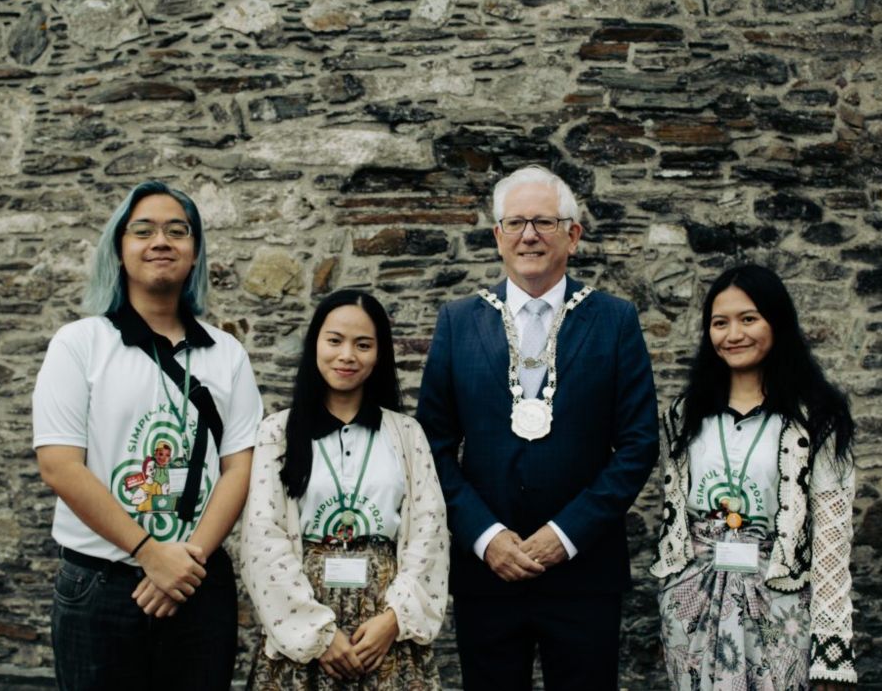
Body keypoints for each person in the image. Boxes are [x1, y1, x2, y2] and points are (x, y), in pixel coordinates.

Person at [416, 165, 659, 689]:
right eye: (516, 223)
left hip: (583, 572)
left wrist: (565, 536)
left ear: (573, 235)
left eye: (545, 222)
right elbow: (431, 447)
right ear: (497, 237)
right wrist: (486, 536)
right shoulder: (458, 322)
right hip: (488, 575)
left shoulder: (614, 320)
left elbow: (639, 444)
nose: (530, 235)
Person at [33, 181, 263, 690]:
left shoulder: (227, 355)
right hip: (101, 584)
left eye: (177, 231)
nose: (161, 241)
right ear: (119, 248)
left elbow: (239, 468)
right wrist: (149, 552)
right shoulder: (79, 344)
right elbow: (59, 464)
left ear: (195, 252)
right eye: (144, 230)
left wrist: (187, 561)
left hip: (198, 581)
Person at [651, 264, 857, 690]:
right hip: (692, 605)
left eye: (749, 319)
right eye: (719, 323)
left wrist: (831, 655)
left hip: (781, 606)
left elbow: (832, 545)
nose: (733, 334)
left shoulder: (816, 419)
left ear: (776, 323)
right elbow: (674, 519)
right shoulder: (684, 415)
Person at [241, 289, 449, 690]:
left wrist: (394, 620)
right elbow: (262, 539)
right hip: (303, 630)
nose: (347, 355)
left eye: (363, 344)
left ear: (380, 353)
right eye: (334, 340)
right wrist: (319, 635)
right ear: (315, 343)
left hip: (386, 632)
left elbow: (430, 531)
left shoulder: (406, 434)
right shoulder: (277, 432)